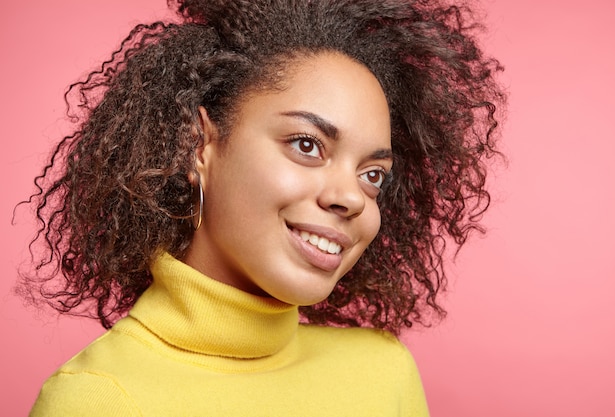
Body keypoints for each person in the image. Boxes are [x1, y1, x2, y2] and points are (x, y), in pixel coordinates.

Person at [21, 0, 505, 415]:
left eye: (372, 175)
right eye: (307, 145)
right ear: (199, 146)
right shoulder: (98, 400)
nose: (352, 197)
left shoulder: (384, 373)